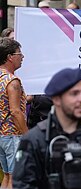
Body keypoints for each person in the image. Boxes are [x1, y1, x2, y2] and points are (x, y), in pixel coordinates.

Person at [0, 38, 28, 189]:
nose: (22, 56)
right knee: (15, 177)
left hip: (1, 134)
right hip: (12, 134)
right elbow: (15, 111)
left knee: (6, 175)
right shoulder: (12, 81)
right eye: (19, 53)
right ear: (10, 57)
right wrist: (27, 135)